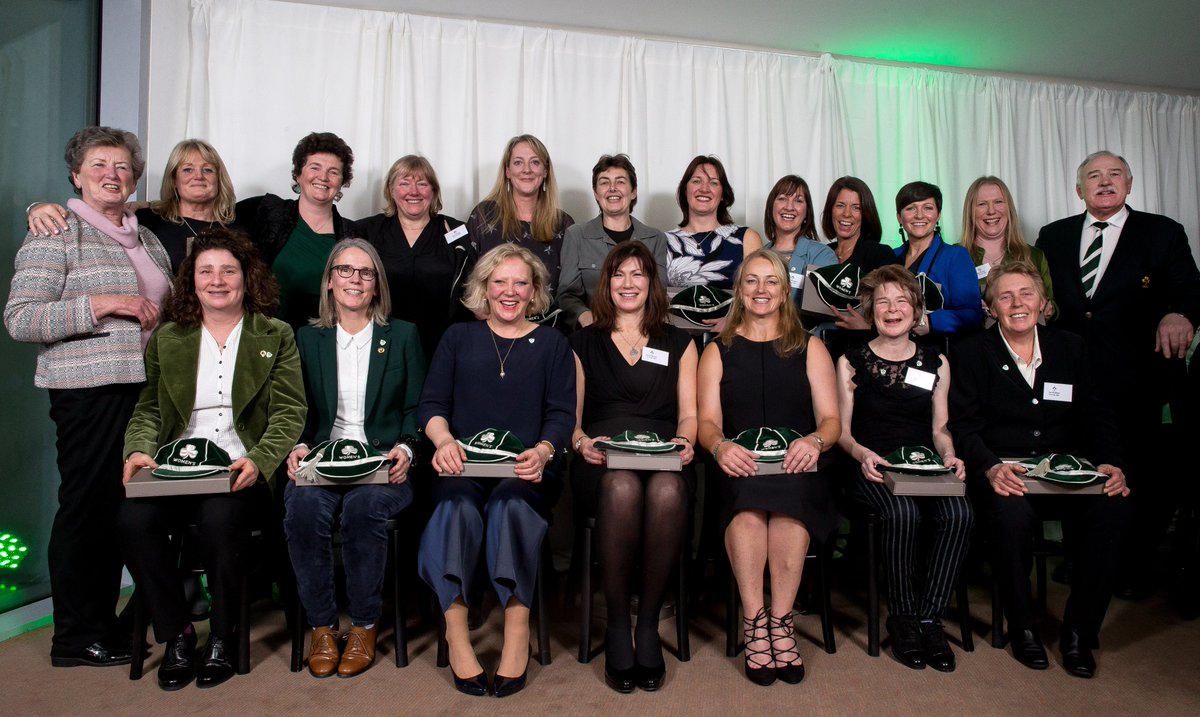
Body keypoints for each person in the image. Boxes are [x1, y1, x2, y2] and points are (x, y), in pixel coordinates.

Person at [5, 126, 172, 668]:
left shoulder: (143, 237)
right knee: (89, 509)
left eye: (122, 166)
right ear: (76, 175)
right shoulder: (56, 231)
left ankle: (111, 623)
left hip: (145, 390)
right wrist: (103, 302)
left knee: (130, 508)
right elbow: (21, 319)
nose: (111, 174)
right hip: (89, 390)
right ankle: (75, 638)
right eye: (99, 164)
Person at [120, 229, 305, 690]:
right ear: (191, 280)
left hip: (239, 470)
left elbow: (289, 411)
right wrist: (137, 450)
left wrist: (259, 460)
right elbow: (148, 408)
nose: (217, 280)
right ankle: (178, 634)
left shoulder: (275, 334)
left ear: (247, 277)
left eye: (228, 271)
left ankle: (224, 633)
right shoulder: (168, 338)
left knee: (220, 519)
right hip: (175, 467)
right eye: (206, 271)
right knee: (133, 521)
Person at [949, 261, 1130, 678]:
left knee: (1114, 509)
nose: (1017, 304)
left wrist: (1110, 461)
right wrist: (990, 468)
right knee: (1011, 517)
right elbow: (964, 426)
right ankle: (1023, 627)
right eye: (1005, 296)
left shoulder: (1071, 347)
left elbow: (1097, 414)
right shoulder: (971, 353)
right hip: (1004, 471)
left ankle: (1079, 631)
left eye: (1026, 294)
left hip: (1067, 471)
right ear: (990, 307)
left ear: (1043, 302)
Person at [1036, 151, 1200, 598]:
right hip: (1071, 378)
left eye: (1114, 175)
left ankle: (1132, 565)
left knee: (1138, 471)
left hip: (1138, 377)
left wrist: (1179, 314)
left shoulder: (1163, 232)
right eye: (1094, 176)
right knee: (1074, 465)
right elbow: (1042, 296)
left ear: (1129, 184)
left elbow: (1190, 289)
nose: (1104, 182)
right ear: (1079, 189)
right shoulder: (1053, 235)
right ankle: (1080, 554)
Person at [417, 244, 575, 697]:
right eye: (499, 282)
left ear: (534, 291)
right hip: (462, 465)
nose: (509, 291)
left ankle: (517, 628)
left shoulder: (553, 344)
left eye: (520, 283)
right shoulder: (458, 338)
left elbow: (561, 415)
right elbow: (432, 405)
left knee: (509, 506)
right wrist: (443, 441)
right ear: (484, 288)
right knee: (455, 509)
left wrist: (544, 451)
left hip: (526, 470)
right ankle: (457, 632)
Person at [283, 238, 426, 678]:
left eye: (365, 272)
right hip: (323, 461)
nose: (355, 280)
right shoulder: (307, 338)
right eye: (345, 270)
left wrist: (406, 447)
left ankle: (364, 624)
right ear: (329, 281)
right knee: (302, 509)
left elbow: (417, 408)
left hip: (383, 463)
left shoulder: (402, 335)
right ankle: (322, 627)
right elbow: (296, 408)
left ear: (377, 284)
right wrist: (298, 445)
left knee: (364, 511)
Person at [697, 249, 839, 686]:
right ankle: (755, 622)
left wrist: (814, 442)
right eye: (752, 280)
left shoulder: (811, 347)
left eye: (771, 281)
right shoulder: (717, 350)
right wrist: (720, 447)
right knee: (747, 511)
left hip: (798, 463)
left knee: (790, 510)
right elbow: (707, 423)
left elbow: (831, 421)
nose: (761, 289)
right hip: (740, 464)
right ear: (739, 290)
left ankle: (781, 622)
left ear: (784, 291)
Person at [569, 241, 698, 692]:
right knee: (621, 487)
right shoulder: (582, 341)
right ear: (606, 283)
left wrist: (686, 441)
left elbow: (689, 415)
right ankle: (618, 625)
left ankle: (647, 625)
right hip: (601, 459)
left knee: (667, 490)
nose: (628, 283)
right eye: (618, 274)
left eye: (638, 274)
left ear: (651, 283)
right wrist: (582, 443)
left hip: (664, 454)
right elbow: (572, 420)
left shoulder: (679, 341)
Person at [834, 265, 972, 672]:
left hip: (923, 466)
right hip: (870, 466)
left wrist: (950, 455)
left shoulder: (937, 361)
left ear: (916, 311)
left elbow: (940, 429)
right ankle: (903, 617)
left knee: (960, 512)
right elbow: (841, 433)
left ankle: (930, 619)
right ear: (871, 310)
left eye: (901, 301)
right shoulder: (851, 361)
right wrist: (862, 454)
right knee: (902, 512)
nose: (892, 309)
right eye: (882, 302)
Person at [26, 139, 240, 274]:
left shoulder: (242, 221)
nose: (198, 176)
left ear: (219, 178)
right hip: (169, 329)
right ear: (173, 180)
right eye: (187, 170)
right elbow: (99, 218)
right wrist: (36, 208)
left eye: (208, 170)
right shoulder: (146, 220)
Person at [358, 155, 475, 363]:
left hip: (442, 347)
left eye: (422, 184)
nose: (414, 191)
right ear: (391, 190)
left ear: (433, 191)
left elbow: (472, 287)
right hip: (379, 344)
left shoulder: (456, 231)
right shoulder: (367, 231)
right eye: (404, 183)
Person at [236, 132, 359, 328]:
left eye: (333, 172)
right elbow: (214, 218)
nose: (323, 177)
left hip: (324, 336)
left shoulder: (352, 234)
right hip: (264, 334)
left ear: (342, 182)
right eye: (315, 167)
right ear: (298, 175)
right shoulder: (266, 211)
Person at [557, 154, 669, 329]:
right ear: (596, 193)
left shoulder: (655, 239)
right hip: (594, 332)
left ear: (633, 191)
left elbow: (658, 294)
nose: (612, 188)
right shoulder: (576, 235)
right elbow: (566, 295)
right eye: (604, 182)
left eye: (620, 182)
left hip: (642, 331)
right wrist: (585, 316)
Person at [468, 134, 575, 293]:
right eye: (518, 162)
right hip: (490, 309)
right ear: (507, 171)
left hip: (548, 310)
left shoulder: (563, 224)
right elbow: (467, 277)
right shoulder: (484, 215)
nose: (527, 170)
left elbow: (570, 288)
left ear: (545, 171)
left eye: (535, 162)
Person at [817, 176, 899, 355]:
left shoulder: (880, 254)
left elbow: (897, 308)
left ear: (866, 214)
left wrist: (868, 327)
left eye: (856, 208)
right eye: (840, 205)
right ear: (831, 210)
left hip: (865, 350)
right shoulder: (820, 253)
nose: (847, 214)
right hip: (822, 349)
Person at [894, 181, 984, 343]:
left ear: (938, 215)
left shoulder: (955, 256)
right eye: (910, 208)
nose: (919, 215)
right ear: (899, 217)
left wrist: (932, 322)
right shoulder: (889, 257)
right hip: (891, 349)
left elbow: (973, 314)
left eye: (928, 208)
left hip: (938, 349)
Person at [959, 176, 1055, 318]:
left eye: (998, 202)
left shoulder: (1034, 256)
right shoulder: (953, 256)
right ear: (970, 212)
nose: (991, 211)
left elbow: (1052, 303)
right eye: (982, 204)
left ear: (1009, 208)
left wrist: (1049, 309)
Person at [665, 156, 763, 295]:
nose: (704, 189)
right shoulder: (663, 241)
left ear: (723, 194)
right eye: (696, 181)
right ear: (685, 190)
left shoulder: (747, 238)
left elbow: (758, 293)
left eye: (714, 183)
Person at [761, 175, 836, 307]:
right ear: (771, 207)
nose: (789, 207)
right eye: (782, 198)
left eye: (798, 200)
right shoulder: (758, 255)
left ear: (807, 212)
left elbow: (823, 310)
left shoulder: (822, 255)